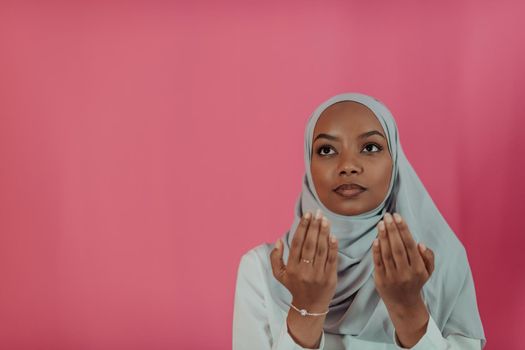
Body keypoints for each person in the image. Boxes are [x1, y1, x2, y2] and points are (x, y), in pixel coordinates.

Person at [232, 93, 486, 349]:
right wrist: (306, 308)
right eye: (327, 150)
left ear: (395, 160)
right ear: (309, 166)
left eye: (370, 147)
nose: (348, 166)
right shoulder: (263, 271)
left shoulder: (439, 263)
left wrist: (409, 310)